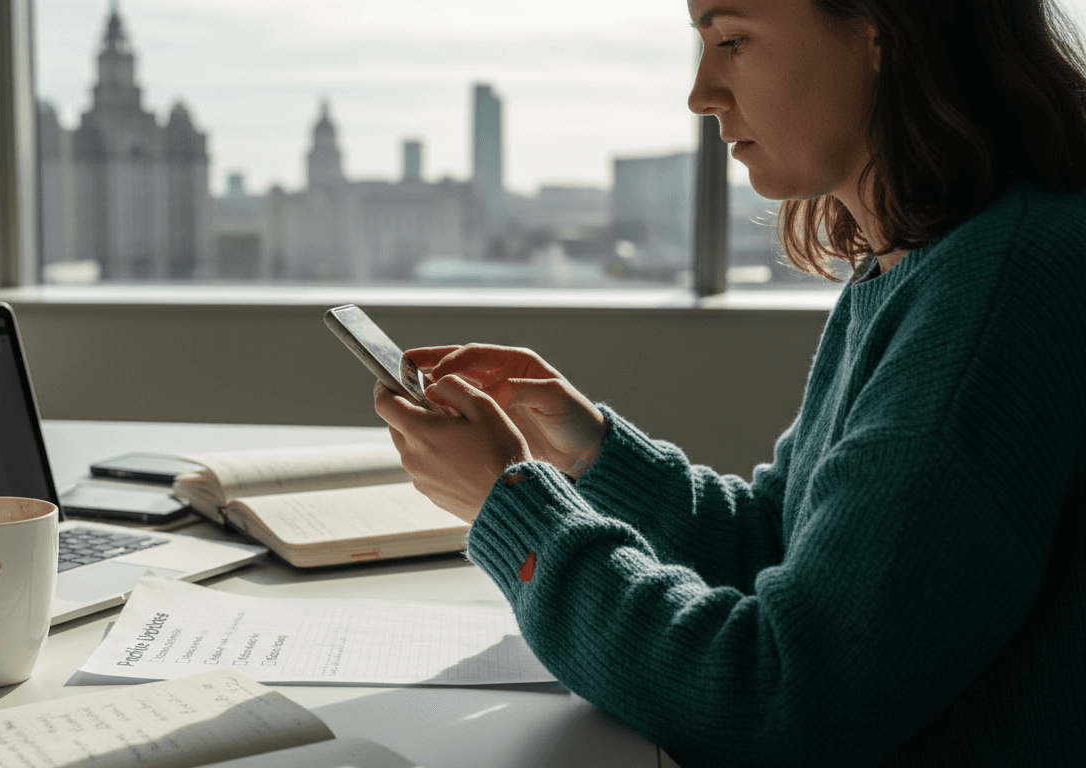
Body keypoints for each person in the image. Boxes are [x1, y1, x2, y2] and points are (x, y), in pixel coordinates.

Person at [374, 0, 1086, 765]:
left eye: (733, 40)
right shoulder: (919, 262)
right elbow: (785, 545)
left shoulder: (993, 296)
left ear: (884, 32)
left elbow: (784, 699)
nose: (701, 91)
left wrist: (513, 509)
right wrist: (593, 457)